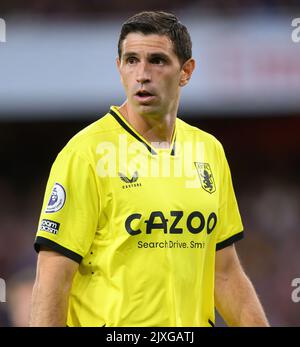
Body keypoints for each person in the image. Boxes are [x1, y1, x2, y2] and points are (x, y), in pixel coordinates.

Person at [30, 11, 269, 327]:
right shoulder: (85, 154)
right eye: (131, 60)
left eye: (157, 60)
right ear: (119, 68)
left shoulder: (208, 150)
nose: (142, 74)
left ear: (186, 71)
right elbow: (52, 280)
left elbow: (223, 272)